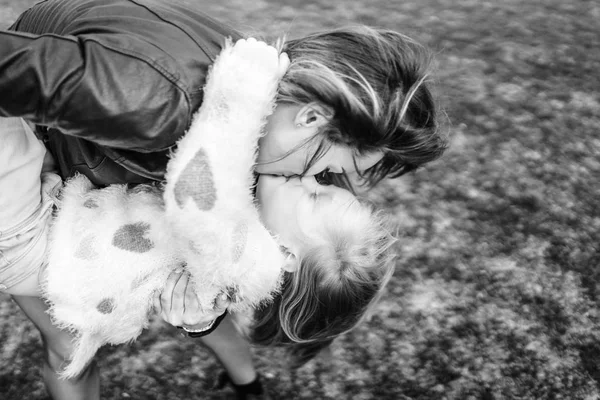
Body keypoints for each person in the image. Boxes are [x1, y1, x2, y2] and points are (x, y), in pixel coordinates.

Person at [0, 0, 447, 398]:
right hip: (29, 180)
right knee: (70, 347)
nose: (323, 180)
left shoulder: (257, 125)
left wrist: (202, 315)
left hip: (73, 178)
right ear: (312, 116)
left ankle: (247, 384)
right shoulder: (154, 103)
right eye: (331, 171)